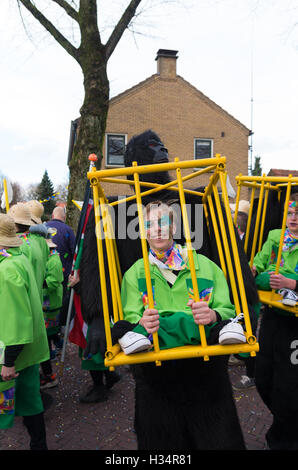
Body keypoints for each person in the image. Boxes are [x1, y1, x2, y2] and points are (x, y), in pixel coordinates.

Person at [110, 200, 248, 449]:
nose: (158, 229)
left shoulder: (205, 265)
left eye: (163, 222)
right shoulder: (134, 274)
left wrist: (214, 315)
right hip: (157, 380)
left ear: (174, 227)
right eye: (150, 224)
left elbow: (228, 309)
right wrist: (141, 321)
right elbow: (131, 318)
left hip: (205, 378)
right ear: (144, 232)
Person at [252, 196, 298, 450]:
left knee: (289, 387)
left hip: (295, 323)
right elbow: (259, 264)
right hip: (271, 317)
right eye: (290, 212)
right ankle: (285, 421)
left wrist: (292, 283)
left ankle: (283, 438)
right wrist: (254, 272)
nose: (293, 218)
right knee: (263, 376)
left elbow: (283, 279)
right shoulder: (274, 236)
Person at [0, 214, 49, 450]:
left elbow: (16, 318)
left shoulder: (6, 270)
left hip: (13, 354)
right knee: (31, 403)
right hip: (29, 350)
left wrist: (8, 362)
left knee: (13, 406)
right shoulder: (18, 258)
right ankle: (39, 446)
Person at [68, 273, 121, 404]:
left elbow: (97, 289)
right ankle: (109, 375)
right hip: (96, 312)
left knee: (94, 349)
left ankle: (99, 388)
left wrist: (78, 286)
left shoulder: (96, 257)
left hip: (96, 314)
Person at [7, 203, 49, 302]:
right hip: (36, 300)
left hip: (23, 304)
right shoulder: (37, 242)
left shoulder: (17, 246)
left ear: (13, 223)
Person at [40, 232, 64, 389]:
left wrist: (36, 280)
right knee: (47, 339)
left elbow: (53, 282)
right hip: (46, 305)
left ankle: (50, 375)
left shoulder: (53, 260)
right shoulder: (48, 258)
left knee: (45, 342)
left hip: (50, 306)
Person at [46, 206, 76, 326]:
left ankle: (46, 327)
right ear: (64, 218)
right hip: (63, 274)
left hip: (45, 273)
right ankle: (58, 327)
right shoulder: (68, 230)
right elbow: (75, 252)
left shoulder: (44, 228)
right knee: (61, 300)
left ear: (52, 216)